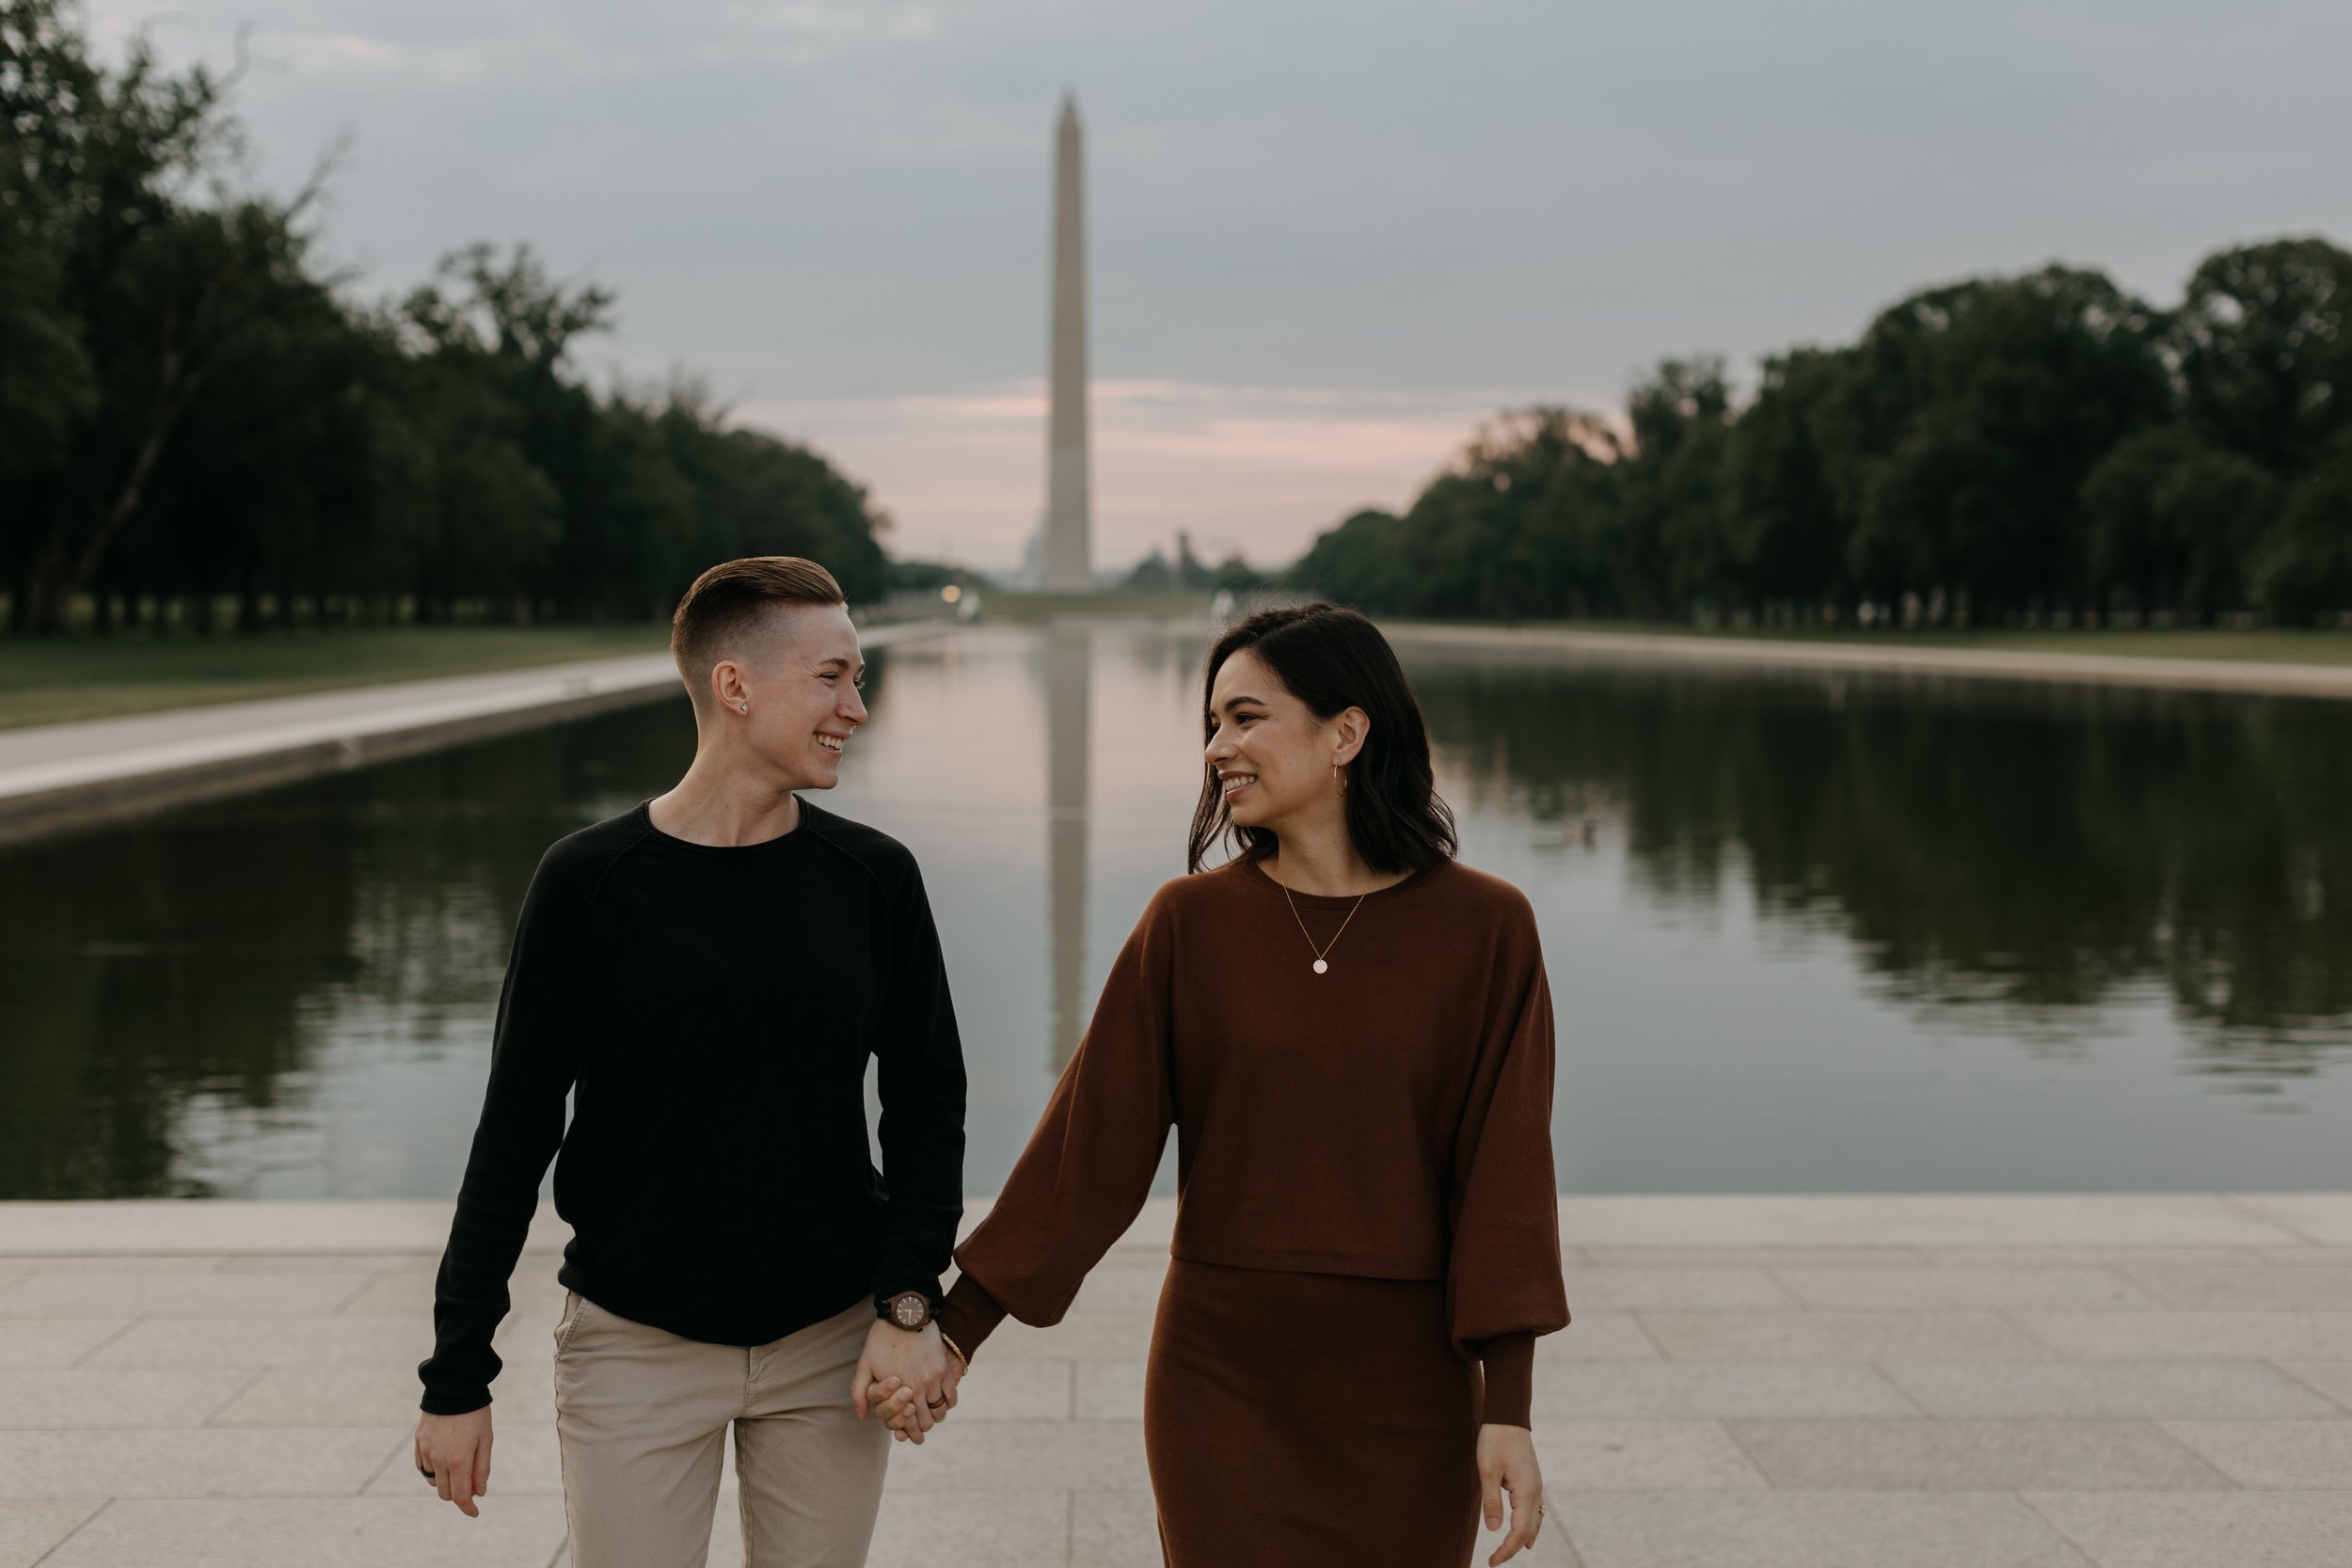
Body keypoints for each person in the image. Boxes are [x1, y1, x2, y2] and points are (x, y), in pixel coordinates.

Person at [890, 601, 1569, 1565]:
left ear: (1347, 730)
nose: (1217, 747)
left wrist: (1509, 1405)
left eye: (1245, 717)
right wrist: (951, 1330)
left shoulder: (1486, 928)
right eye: (1211, 722)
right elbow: (1089, 1151)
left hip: (1410, 1386)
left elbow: (1503, 1177)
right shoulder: (1188, 925)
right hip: (1222, 1381)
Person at [413, 556, 968, 1568]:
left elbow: (927, 1102)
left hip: (827, 1343)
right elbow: (515, 1131)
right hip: (634, 1343)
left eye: (858, 678)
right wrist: (457, 1374)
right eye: (834, 677)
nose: (858, 705)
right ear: (736, 685)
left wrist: (907, 1299)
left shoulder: (874, 879)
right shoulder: (588, 881)